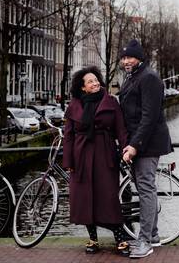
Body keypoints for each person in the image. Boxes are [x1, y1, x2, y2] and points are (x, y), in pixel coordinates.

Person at [62, 65, 130, 256]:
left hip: (104, 154)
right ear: (82, 87)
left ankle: (120, 239)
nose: (95, 83)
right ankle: (93, 239)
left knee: (108, 198)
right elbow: (68, 136)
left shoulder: (110, 101)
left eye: (96, 80)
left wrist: (126, 149)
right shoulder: (74, 105)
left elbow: (121, 129)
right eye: (90, 81)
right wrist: (69, 162)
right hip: (81, 156)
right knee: (84, 199)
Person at [119, 39, 173, 259]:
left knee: (146, 189)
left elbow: (149, 117)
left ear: (139, 58)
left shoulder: (149, 78)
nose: (126, 61)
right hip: (137, 142)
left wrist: (133, 145)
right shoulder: (132, 77)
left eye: (130, 57)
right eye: (123, 58)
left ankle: (144, 241)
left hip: (147, 144)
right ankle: (154, 235)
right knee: (145, 189)